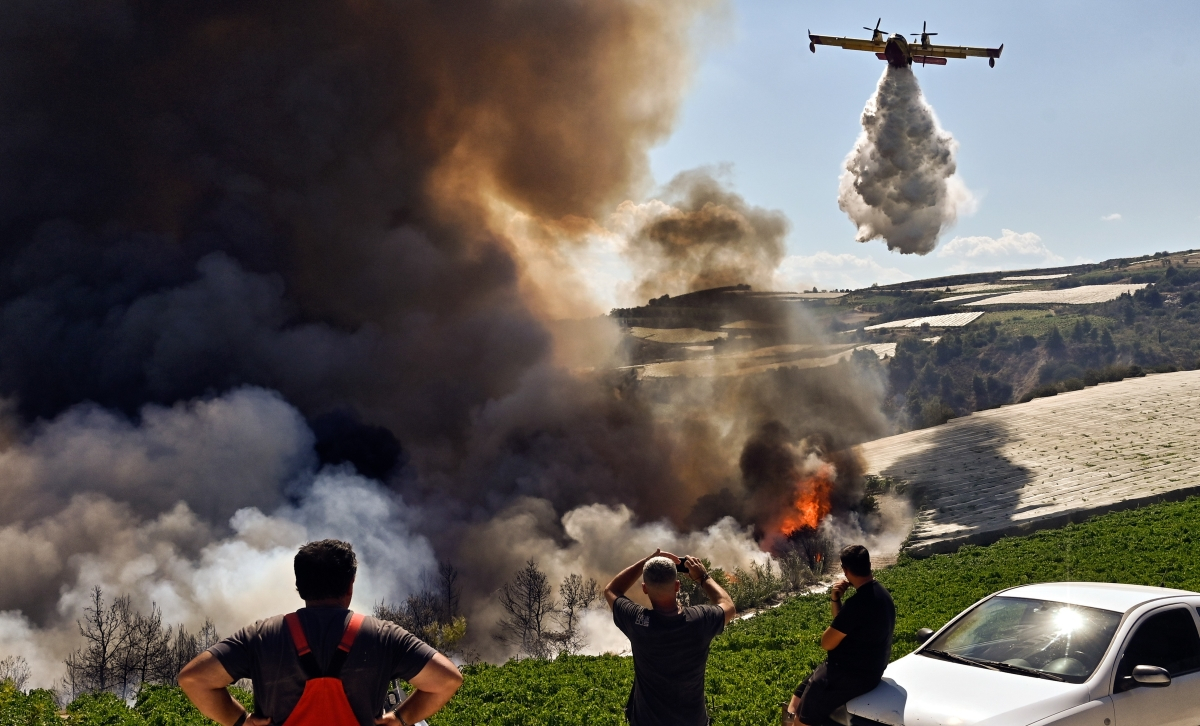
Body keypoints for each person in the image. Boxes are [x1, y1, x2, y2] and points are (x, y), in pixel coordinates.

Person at [178, 539, 463, 726]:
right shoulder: (384, 636)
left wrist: (240, 721)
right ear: (351, 585)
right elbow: (447, 680)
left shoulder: (262, 635)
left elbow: (194, 678)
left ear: (299, 586)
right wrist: (400, 718)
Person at [604, 549, 736, 726]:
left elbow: (612, 590)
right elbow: (728, 606)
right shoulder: (699, 620)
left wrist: (646, 562)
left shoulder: (638, 622)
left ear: (644, 588)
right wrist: (703, 577)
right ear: (677, 586)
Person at [786, 544, 895, 726]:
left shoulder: (858, 604)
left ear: (845, 570)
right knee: (798, 695)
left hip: (848, 674)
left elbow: (827, 643)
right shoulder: (881, 594)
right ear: (868, 564)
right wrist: (835, 599)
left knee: (801, 719)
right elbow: (845, 625)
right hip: (869, 670)